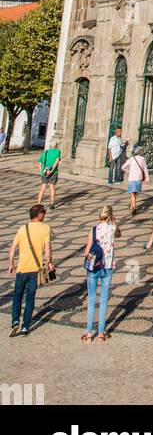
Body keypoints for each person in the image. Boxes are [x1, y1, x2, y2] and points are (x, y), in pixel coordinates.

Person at [8, 202, 56, 337]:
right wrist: (49, 262)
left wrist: (11, 263)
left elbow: (13, 247)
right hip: (35, 270)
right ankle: (25, 327)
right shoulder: (45, 228)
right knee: (30, 298)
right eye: (44, 212)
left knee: (17, 296)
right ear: (40, 215)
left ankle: (15, 321)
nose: (45, 214)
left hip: (21, 269)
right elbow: (47, 248)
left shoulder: (22, 229)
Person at [82, 204, 120, 343]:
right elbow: (118, 234)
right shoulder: (112, 229)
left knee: (92, 299)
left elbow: (87, 251)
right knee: (103, 299)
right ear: (110, 216)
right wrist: (115, 223)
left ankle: (88, 333)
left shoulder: (94, 229)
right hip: (108, 266)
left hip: (94, 267)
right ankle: (101, 333)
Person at [121, 144, 149, 215]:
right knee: (135, 193)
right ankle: (132, 206)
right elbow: (145, 169)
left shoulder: (131, 159)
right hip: (139, 178)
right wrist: (147, 178)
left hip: (132, 178)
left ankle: (133, 206)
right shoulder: (142, 159)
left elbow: (123, 167)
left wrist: (128, 171)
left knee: (132, 193)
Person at [36, 139, 61, 209]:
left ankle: (38, 203)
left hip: (44, 172)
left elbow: (40, 163)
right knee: (52, 187)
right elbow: (56, 162)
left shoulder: (45, 152)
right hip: (53, 172)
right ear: (56, 145)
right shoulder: (57, 152)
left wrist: (41, 171)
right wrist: (51, 170)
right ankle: (52, 204)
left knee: (43, 188)